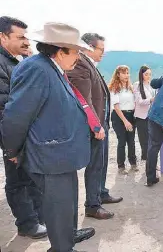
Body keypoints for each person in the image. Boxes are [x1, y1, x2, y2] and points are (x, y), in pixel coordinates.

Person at [1, 22, 95, 251]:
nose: (78, 57)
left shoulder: (52, 67)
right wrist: (12, 150)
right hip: (49, 156)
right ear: (59, 50)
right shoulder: (37, 69)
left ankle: (67, 239)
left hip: (61, 155)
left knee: (66, 207)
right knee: (58, 209)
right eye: (75, 52)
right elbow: (16, 116)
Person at [0, 16, 46, 239]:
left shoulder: (14, 62)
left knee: (30, 177)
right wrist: (12, 145)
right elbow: (5, 108)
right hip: (12, 136)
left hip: (23, 134)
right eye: (20, 38)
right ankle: (27, 224)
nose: (26, 42)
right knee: (17, 181)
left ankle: (38, 217)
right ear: (2, 37)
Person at [68, 32, 120, 220]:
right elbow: (84, 100)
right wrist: (96, 126)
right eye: (101, 49)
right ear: (89, 47)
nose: (103, 53)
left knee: (102, 162)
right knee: (95, 165)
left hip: (101, 123)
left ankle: (101, 192)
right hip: (94, 126)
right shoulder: (80, 63)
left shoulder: (90, 65)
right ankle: (92, 204)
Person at [109, 65, 138, 174]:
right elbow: (116, 106)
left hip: (131, 115)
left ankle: (133, 163)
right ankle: (121, 166)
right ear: (118, 74)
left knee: (131, 141)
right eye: (124, 73)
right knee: (122, 141)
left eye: (127, 73)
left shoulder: (130, 87)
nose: (127, 75)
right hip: (119, 116)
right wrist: (125, 121)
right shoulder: (114, 88)